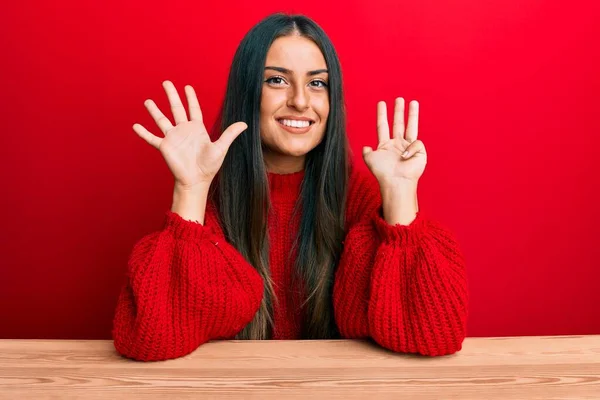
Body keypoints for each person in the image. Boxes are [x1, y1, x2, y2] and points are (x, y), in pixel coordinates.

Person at [113, 12, 469, 362]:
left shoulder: (359, 200)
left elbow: (435, 335)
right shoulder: (212, 198)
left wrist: (401, 197)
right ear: (247, 93)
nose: (301, 100)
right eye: (277, 81)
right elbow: (151, 339)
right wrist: (190, 190)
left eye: (317, 83)